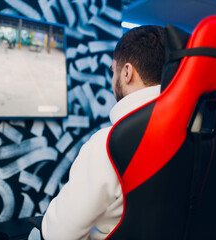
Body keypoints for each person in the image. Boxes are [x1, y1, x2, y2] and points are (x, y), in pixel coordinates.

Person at [38, 25, 166, 240]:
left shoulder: (108, 144)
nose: (112, 78)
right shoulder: (199, 129)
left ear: (126, 72)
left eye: (112, 70)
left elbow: (58, 235)